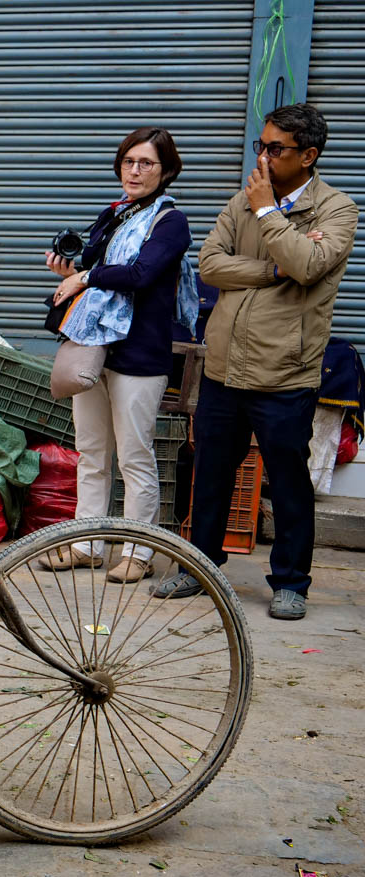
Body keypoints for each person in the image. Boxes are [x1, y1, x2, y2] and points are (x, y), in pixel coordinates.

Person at [155, 103, 359, 620]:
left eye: (276, 148)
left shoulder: (336, 210)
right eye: (260, 146)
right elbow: (209, 265)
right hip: (224, 366)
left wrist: (270, 214)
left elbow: (310, 265)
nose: (263, 156)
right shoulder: (241, 201)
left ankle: (291, 582)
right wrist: (272, 268)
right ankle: (201, 567)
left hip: (284, 373)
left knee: (289, 483)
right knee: (212, 473)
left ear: (308, 155)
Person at [40, 127, 193, 582]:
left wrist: (86, 279)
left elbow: (142, 274)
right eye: (129, 161)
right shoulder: (115, 213)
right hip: (96, 347)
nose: (135, 170)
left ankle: (138, 553)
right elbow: (96, 263)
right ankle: (87, 544)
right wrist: (70, 267)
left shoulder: (170, 221)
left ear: (166, 171)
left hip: (140, 354)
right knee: (91, 451)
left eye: (147, 163)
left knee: (134, 456)